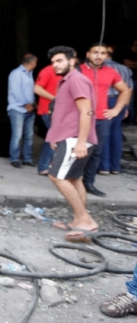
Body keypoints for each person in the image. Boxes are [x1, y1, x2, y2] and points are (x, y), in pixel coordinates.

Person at [44, 46, 99, 241]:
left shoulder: (76, 80)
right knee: (75, 178)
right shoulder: (67, 81)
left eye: (59, 61)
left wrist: (81, 142)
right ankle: (78, 220)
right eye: (53, 62)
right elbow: (66, 113)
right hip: (68, 138)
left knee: (56, 176)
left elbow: (87, 111)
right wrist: (55, 137)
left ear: (72, 60)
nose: (55, 65)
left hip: (75, 138)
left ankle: (85, 220)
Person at [79, 43, 131, 197]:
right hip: (80, 117)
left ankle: (88, 183)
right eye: (95, 52)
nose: (99, 56)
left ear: (107, 56)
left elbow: (126, 90)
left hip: (102, 118)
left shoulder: (111, 71)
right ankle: (70, 182)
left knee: (96, 152)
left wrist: (116, 110)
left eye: (103, 53)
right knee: (75, 150)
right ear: (88, 54)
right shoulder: (78, 70)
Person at [102, 47, 133, 174]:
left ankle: (104, 167)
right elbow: (129, 89)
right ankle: (115, 166)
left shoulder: (99, 68)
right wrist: (125, 106)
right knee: (116, 133)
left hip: (104, 100)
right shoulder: (125, 68)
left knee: (103, 132)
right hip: (119, 100)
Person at [7, 54, 38, 168]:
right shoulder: (16, 74)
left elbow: (29, 91)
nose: (36, 65)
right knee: (17, 135)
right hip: (18, 109)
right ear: (31, 63)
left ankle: (27, 158)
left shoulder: (29, 74)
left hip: (30, 109)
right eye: (35, 62)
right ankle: (14, 158)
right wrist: (26, 104)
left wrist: (33, 104)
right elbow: (16, 91)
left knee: (29, 135)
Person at [34, 63, 62, 175]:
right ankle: (50, 166)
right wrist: (56, 99)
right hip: (49, 110)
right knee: (57, 137)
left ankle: (44, 166)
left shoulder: (69, 72)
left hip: (61, 111)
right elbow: (37, 89)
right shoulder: (48, 70)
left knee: (51, 138)